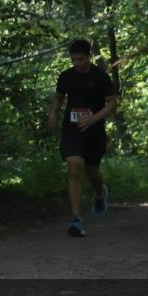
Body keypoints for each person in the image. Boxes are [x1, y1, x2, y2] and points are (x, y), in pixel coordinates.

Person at [46, 39, 117, 237]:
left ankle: (100, 193)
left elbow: (112, 103)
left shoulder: (100, 77)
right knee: (74, 165)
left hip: (94, 131)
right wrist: (53, 113)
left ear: (88, 57)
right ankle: (77, 219)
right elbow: (59, 98)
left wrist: (93, 119)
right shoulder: (66, 77)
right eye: (74, 60)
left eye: (81, 59)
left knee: (92, 172)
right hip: (72, 129)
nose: (77, 63)